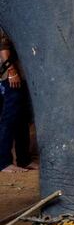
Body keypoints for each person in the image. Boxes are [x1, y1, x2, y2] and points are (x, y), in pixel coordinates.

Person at [0, 25, 34, 173]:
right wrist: (11, 71)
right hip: (10, 76)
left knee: (22, 118)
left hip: (22, 73)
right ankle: (3, 162)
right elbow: (3, 46)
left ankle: (24, 160)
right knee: (10, 117)